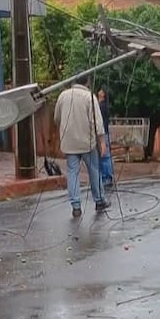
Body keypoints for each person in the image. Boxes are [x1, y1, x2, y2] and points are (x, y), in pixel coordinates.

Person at [54, 77, 110, 217]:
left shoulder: (63, 96)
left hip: (69, 143)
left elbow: (57, 118)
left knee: (72, 172)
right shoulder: (89, 97)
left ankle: (76, 206)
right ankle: (99, 200)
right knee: (94, 171)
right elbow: (97, 122)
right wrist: (102, 142)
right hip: (87, 143)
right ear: (87, 83)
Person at [97, 87, 114, 188]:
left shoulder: (101, 106)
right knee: (103, 156)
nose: (99, 91)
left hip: (102, 133)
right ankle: (105, 176)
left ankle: (107, 177)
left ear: (103, 94)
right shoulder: (102, 105)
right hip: (103, 132)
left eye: (101, 90)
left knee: (105, 156)